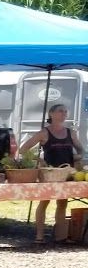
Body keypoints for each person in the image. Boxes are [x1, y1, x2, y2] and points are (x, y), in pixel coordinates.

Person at [17, 103, 84, 243]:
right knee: (44, 202)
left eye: (65, 112)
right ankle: (39, 237)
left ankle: (61, 237)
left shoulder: (71, 132)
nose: (64, 114)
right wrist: (39, 160)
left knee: (62, 203)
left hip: (67, 173)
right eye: (60, 111)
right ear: (51, 114)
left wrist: (79, 156)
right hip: (49, 174)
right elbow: (23, 149)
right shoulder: (44, 133)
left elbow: (81, 150)